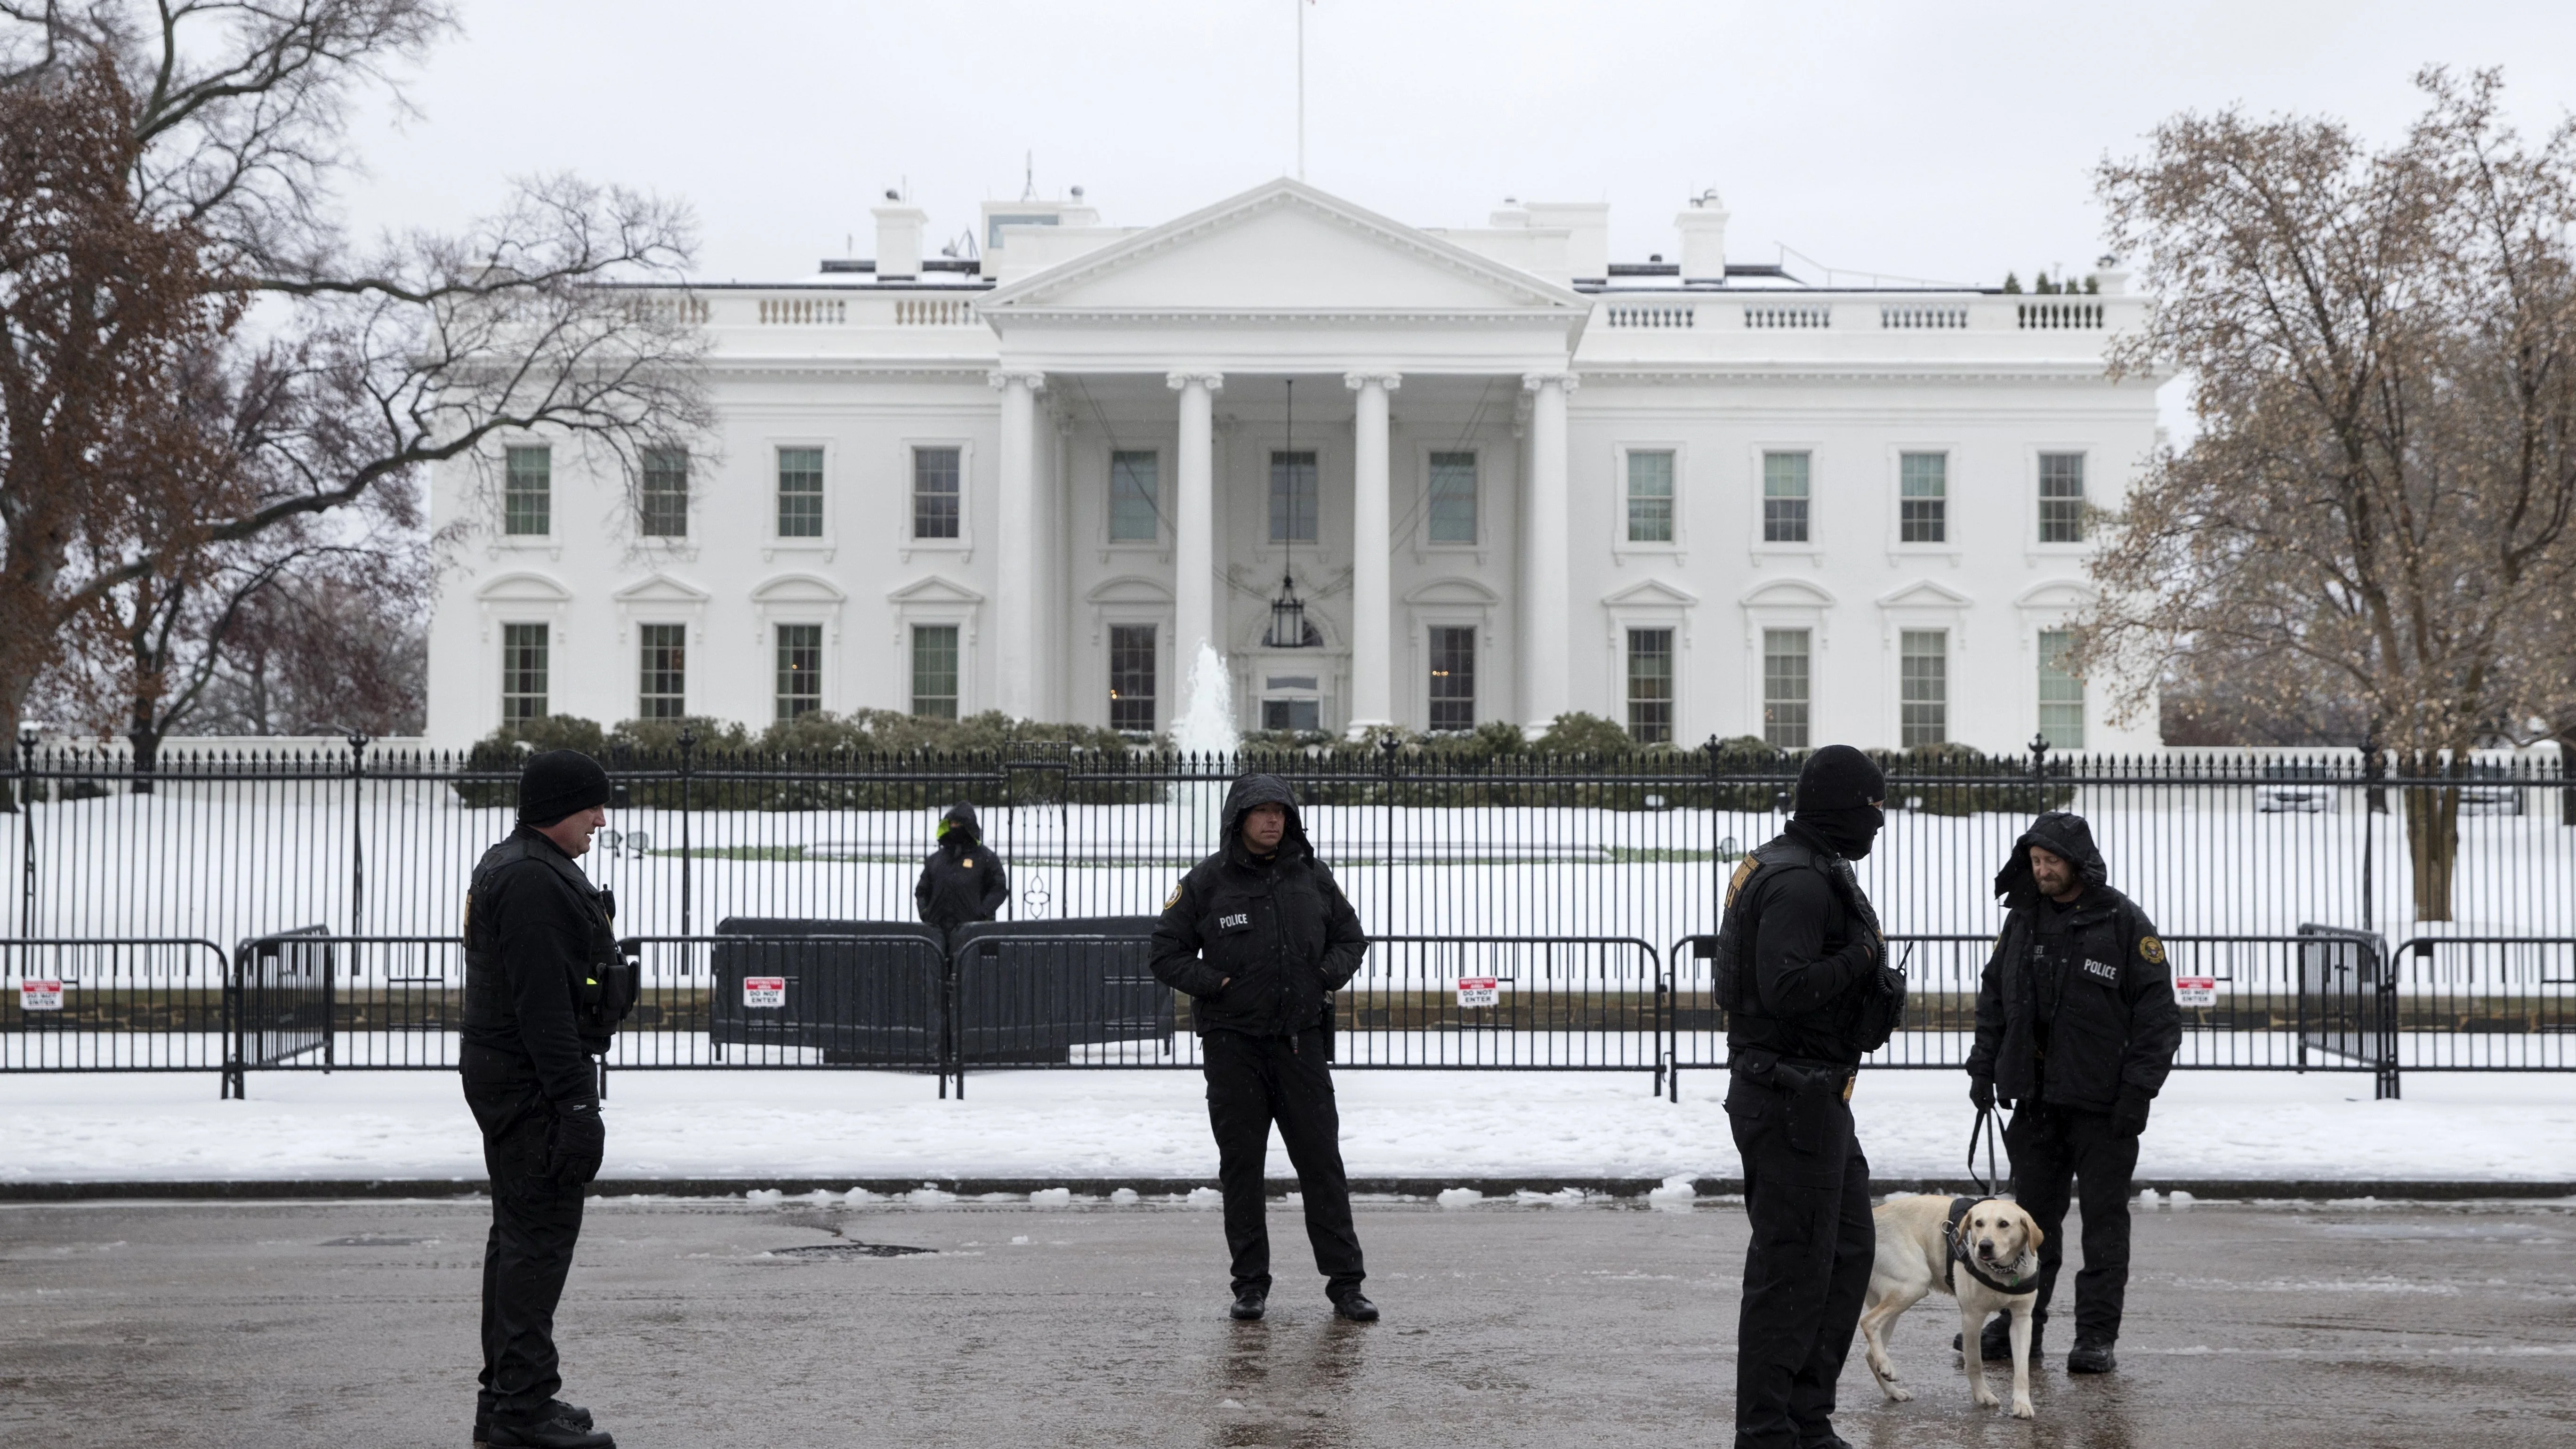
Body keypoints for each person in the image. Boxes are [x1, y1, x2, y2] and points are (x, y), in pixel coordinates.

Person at [1714, 744, 1907, 1449]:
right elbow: (1786, 988)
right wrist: (1862, 958)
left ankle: (1805, 1415)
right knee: (1791, 1269)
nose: (1880, 821)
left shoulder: (1805, 864)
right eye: (1872, 806)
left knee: (1847, 1251)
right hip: (1789, 1094)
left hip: (1816, 1098)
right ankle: (1766, 1430)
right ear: (1842, 807)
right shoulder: (1798, 880)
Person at [1150, 773, 1374, 1324]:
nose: (1273, 821)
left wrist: (1325, 975)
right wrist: (1217, 985)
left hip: (1301, 1047)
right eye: (1261, 812)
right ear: (1238, 819)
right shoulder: (1207, 881)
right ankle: (1250, 1284)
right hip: (1234, 1049)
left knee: (1322, 1166)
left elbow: (1351, 938)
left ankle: (1346, 1285)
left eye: (1280, 811)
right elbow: (1165, 952)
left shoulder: (1312, 876)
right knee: (1242, 1169)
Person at [1965, 811, 2181, 1376]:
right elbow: (1994, 999)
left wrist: (2139, 1092)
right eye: (2035, 863)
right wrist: (1983, 1069)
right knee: (2030, 1228)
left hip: (2105, 1108)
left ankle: (2095, 1338)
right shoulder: (2023, 922)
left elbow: (2158, 1018)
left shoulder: (2123, 923)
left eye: (2051, 862)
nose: (2041, 872)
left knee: (2104, 1227)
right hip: (2036, 1106)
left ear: (2077, 863)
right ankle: (2021, 1329)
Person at [461, 749, 630, 1449]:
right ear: (559, 806)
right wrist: (577, 1106)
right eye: (591, 805)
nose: (600, 818)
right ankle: (522, 1413)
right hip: (531, 1081)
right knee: (537, 1244)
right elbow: (545, 1012)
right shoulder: (532, 880)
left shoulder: (518, 863)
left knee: (518, 1239)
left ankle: (509, 1399)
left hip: (509, 1074)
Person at [914, 800, 1010, 935]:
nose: (954, 827)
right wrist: (925, 913)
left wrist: (982, 914)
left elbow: (998, 889)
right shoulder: (936, 859)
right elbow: (922, 890)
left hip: (973, 933)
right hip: (937, 932)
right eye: (951, 823)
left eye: (958, 824)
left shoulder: (985, 857)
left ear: (968, 826)